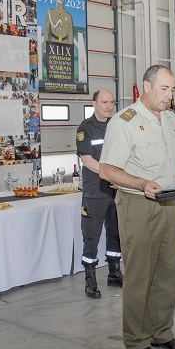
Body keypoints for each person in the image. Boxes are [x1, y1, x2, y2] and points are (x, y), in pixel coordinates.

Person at [99, 65, 175, 349]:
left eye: (172, 89)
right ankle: (137, 340)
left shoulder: (171, 119)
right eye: (164, 89)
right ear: (146, 87)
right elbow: (107, 169)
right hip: (138, 204)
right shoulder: (124, 122)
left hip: (170, 202)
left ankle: (161, 332)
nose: (170, 95)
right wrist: (141, 183)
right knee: (141, 274)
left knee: (168, 273)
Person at [76, 89, 122, 298]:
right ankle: (90, 280)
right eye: (104, 102)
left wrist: (120, 178)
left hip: (117, 190)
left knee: (116, 233)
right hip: (96, 190)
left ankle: (114, 273)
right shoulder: (86, 128)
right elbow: (87, 160)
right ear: (94, 104)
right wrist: (110, 175)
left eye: (111, 102)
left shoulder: (117, 126)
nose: (108, 106)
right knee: (91, 236)